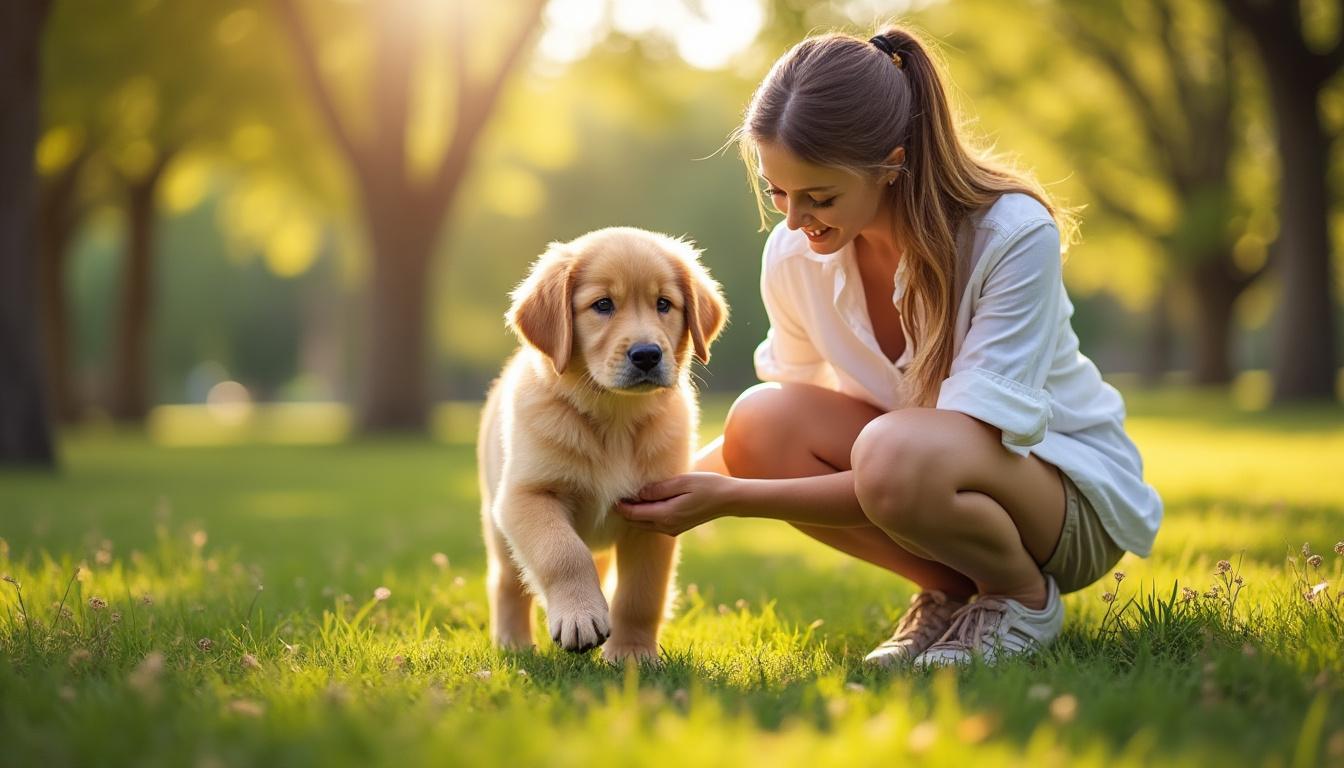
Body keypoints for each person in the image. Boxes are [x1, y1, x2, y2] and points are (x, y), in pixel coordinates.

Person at [617, 25, 1163, 668]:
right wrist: (634, 493)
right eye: (778, 192)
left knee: (894, 448)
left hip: (1062, 505)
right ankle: (950, 593)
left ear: (891, 165)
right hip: (915, 483)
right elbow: (771, 440)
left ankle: (1020, 596)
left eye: (820, 197)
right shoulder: (794, 253)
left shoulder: (1010, 234)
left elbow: (938, 454)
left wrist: (733, 500)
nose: (793, 220)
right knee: (759, 419)